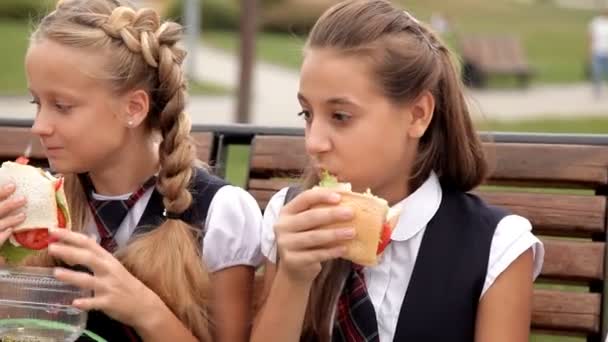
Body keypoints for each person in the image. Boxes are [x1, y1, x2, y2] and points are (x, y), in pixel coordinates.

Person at [251, 1, 544, 341]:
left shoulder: (498, 247)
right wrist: (293, 277)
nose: (314, 142)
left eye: (341, 116)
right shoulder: (289, 216)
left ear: (417, 114)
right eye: (307, 114)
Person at [0, 0, 263, 341]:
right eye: (38, 103)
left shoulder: (216, 212)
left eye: (62, 107)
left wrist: (144, 310)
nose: (40, 126)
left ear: (134, 108)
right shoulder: (43, 205)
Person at [589, 7, 608, 98]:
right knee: (597, 73)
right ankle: (597, 92)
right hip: (598, 51)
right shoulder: (596, 23)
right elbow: (591, 37)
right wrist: (590, 50)